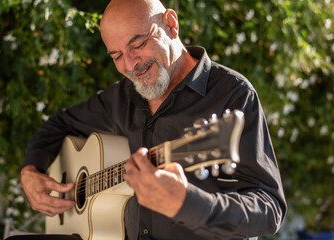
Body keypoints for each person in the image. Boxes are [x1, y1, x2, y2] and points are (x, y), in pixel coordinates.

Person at [20, 0, 287, 239]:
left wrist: (189, 203)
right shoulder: (122, 96)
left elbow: (269, 209)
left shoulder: (232, 94)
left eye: (138, 44)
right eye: (117, 56)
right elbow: (59, 124)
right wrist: (31, 170)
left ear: (171, 25)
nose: (130, 64)